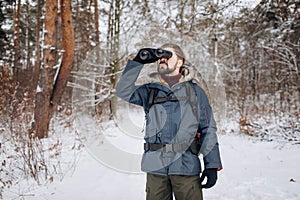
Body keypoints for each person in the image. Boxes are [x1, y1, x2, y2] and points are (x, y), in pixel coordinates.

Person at [116, 43, 222, 200]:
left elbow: (207, 128)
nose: (162, 59)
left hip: (186, 166)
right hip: (155, 167)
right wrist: (138, 61)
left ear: (180, 62)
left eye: (168, 55)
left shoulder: (195, 92)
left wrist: (212, 164)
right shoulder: (150, 91)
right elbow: (123, 90)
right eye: (160, 57)